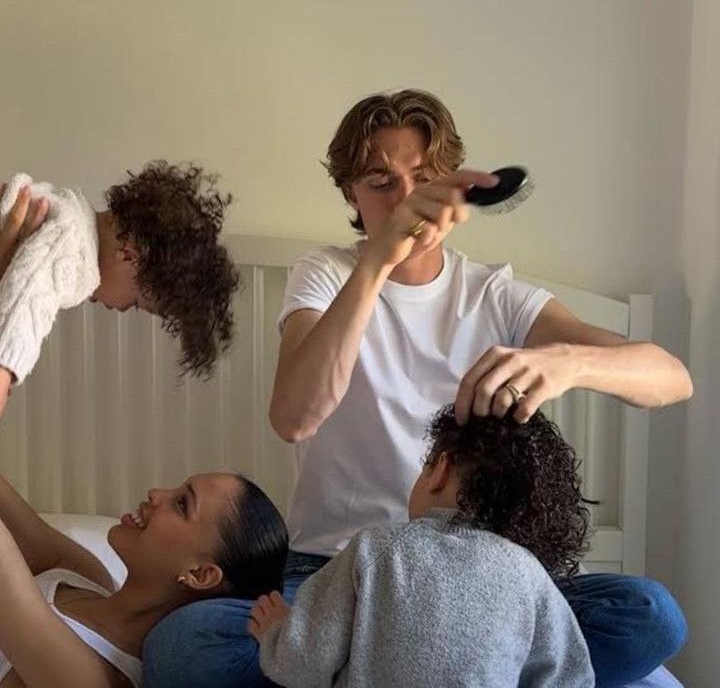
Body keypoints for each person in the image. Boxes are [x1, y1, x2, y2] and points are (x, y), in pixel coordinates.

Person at [144, 89, 691, 688]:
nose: (405, 199)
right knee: (185, 645)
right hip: (337, 574)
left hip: (484, 581)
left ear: (456, 186)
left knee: (650, 617)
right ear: (350, 193)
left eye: (423, 178)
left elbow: (671, 377)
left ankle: (381, 670)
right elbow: (295, 417)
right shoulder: (325, 274)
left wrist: (568, 363)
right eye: (380, 181)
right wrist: (376, 263)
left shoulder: (495, 295)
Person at [249, 407, 596, 687]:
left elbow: (303, 664)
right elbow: (571, 678)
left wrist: (277, 633)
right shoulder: (528, 573)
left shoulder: (377, 549)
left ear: (440, 469)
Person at [0, 468, 288, 688]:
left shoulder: (93, 677)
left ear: (200, 574)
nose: (155, 493)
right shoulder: (88, 576)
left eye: (182, 504)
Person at [0, 162, 239, 418]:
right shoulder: (71, 250)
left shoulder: (71, 211)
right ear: (128, 256)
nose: (123, 309)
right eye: (136, 302)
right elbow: (16, 321)